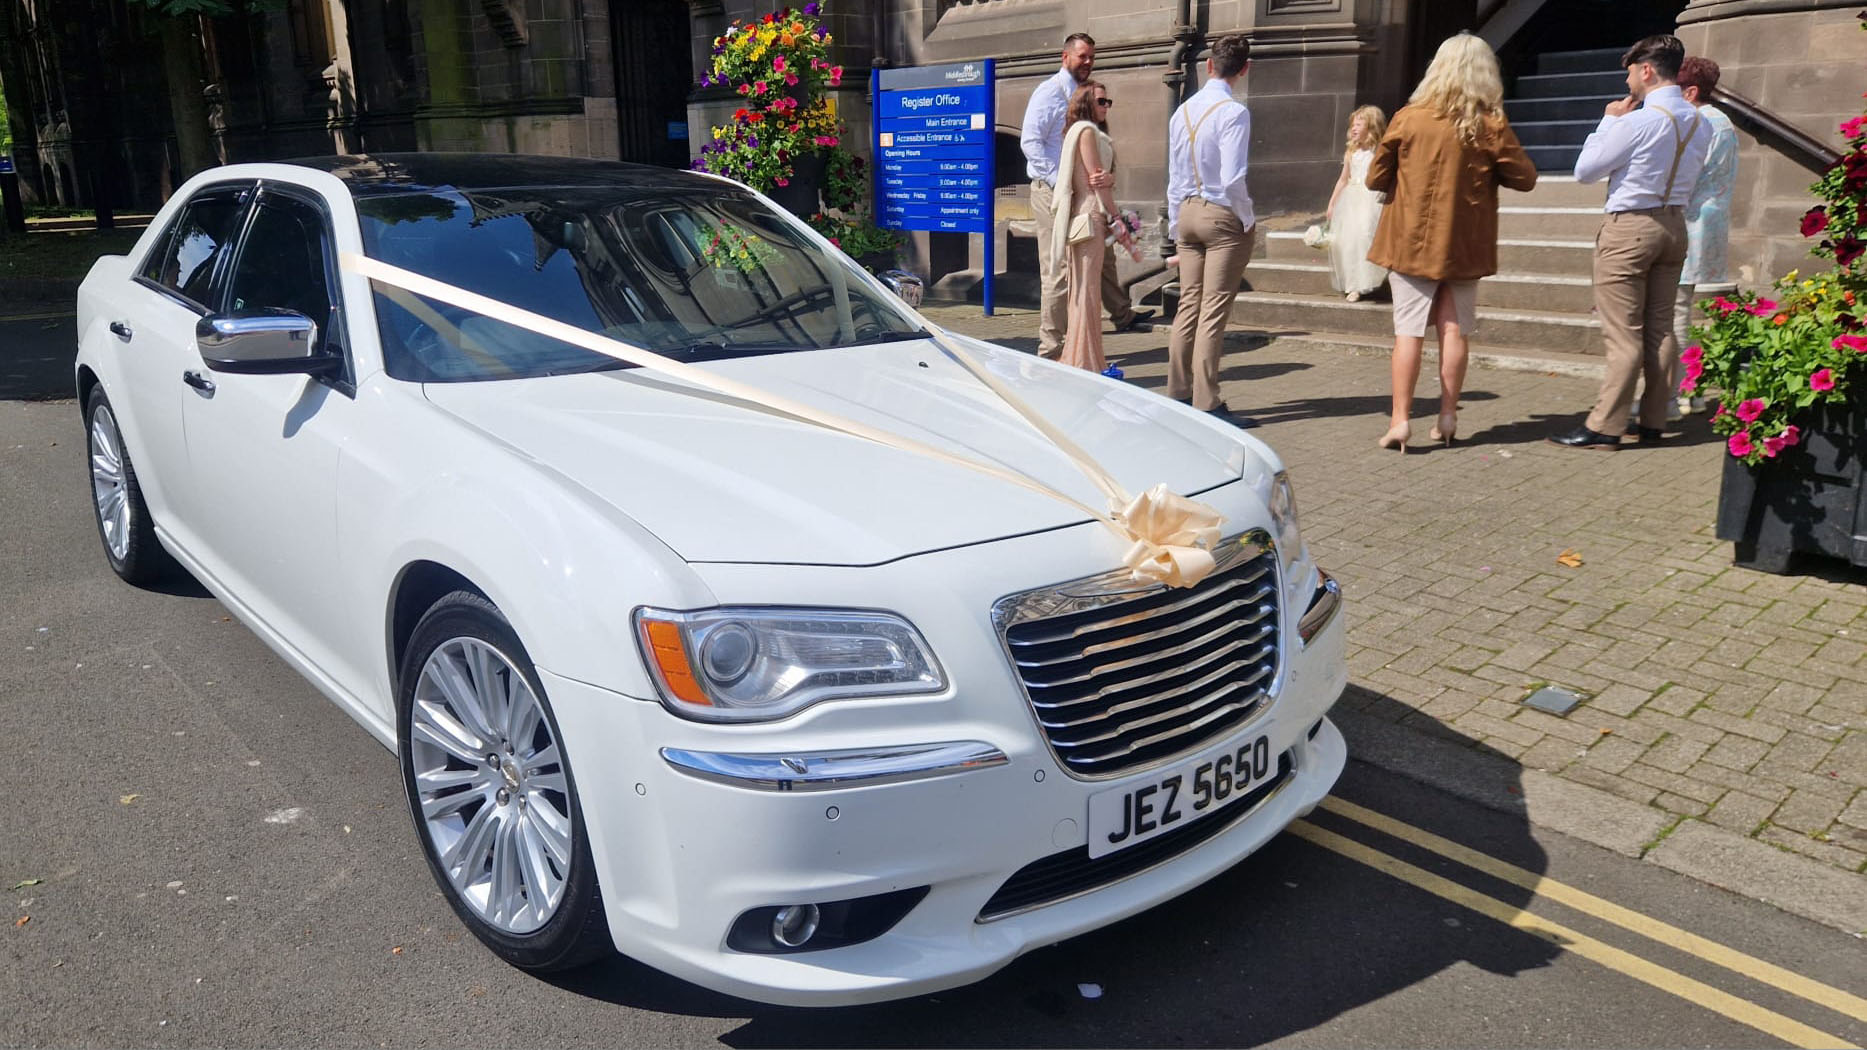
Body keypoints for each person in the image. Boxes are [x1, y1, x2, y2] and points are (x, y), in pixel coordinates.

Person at [1366, 33, 1537, 451]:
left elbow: (1374, 177)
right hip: (1464, 245)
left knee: (1408, 333)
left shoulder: (1409, 117)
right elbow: (1526, 178)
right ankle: (1446, 417)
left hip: (1410, 242)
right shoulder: (1490, 123)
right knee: (1454, 331)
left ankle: (1400, 422)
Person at [1551, 34, 1712, 451]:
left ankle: (1605, 426)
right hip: (1675, 224)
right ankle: (1654, 419)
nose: (1627, 82)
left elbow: (1586, 170)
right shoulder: (1701, 122)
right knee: (1660, 329)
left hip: (1630, 227)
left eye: (1629, 73)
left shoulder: (1638, 121)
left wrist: (1609, 121)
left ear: (1645, 70)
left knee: (1624, 334)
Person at [1020, 33, 1151, 361]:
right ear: (1065, 57)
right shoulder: (1049, 93)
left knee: (1097, 260)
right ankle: (1051, 350)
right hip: (1054, 192)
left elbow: (1098, 162)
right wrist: (1062, 183)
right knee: (1059, 270)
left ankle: (1119, 315)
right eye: (1082, 56)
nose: (1088, 61)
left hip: (1082, 194)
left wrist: (1100, 180)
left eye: (1092, 56)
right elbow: (1031, 144)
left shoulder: (1087, 95)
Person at [1165, 32, 1258, 427]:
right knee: (1213, 310)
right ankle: (1208, 402)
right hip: (1221, 215)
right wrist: (1247, 216)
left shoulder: (1180, 112)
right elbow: (1233, 177)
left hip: (1185, 212)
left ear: (1208, 66)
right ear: (1244, 69)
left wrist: (1174, 224)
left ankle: (1178, 394)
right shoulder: (1233, 112)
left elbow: (1173, 176)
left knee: (1188, 305)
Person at [1052, 82, 1135, 373]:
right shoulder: (1086, 132)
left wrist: (1107, 180)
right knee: (1087, 293)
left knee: (1083, 291)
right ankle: (1084, 362)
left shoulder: (1079, 132)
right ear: (1086, 103)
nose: (1106, 106)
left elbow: (1098, 178)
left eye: (1108, 101)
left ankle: (1083, 359)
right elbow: (1096, 180)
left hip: (1084, 218)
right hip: (1091, 218)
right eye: (1101, 101)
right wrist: (1117, 220)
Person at [1673, 55, 1737, 415]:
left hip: (1689, 222)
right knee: (1684, 310)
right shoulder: (1722, 122)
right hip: (1707, 222)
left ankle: (1683, 390)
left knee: (1676, 312)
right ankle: (1691, 390)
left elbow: (1686, 175)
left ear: (1691, 91)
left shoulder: (1700, 122)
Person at [1326, 105, 1390, 302]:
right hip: (1351, 200)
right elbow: (1343, 179)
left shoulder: (1378, 150)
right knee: (1349, 241)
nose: (1353, 128)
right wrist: (1332, 203)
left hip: (1371, 199)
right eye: (1352, 124)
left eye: (1359, 124)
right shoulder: (1351, 151)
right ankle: (1354, 283)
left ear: (1371, 126)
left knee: (1366, 236)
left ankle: (1374, 278)